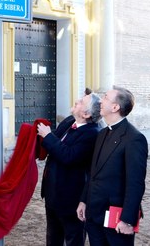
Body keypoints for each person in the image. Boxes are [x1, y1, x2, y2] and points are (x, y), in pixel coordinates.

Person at [77, 86, 148, 246]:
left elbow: (135, 183)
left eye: (106, 98)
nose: (101, 101)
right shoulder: (102, 133)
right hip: (95, 213)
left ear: (115, 107)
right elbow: (93, 172)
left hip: (116, 219)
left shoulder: (134, 138)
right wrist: (83, 201)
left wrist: (127, 220)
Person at [37, 88, 102, 246]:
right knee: (52, 238)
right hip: (53, 194)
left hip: (71, 198)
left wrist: (48, 136)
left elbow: (69, 156)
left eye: (81, 102)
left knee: (74, 239)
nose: (77, 101)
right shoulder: (68, 121)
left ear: (86, 114)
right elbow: (54, 146)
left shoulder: (92, 133)